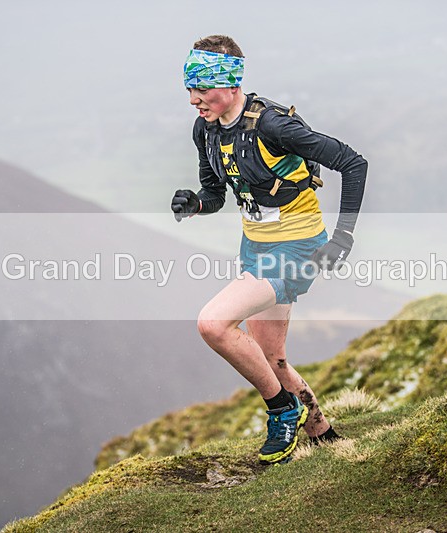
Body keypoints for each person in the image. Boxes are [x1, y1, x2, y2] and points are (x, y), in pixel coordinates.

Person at [171, 35, 367, 464]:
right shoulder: (205, 128)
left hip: (298, 247)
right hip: (255, 245)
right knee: (270, 355)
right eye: (189, 89)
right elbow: (217, 193)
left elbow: (353, 163)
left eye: (201, 89)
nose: (193, 99)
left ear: (228, 83)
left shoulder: (274, 125)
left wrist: (342, 239)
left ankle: (281, 410)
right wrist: (196, 204)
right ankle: (323, 435)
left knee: (213, 324)